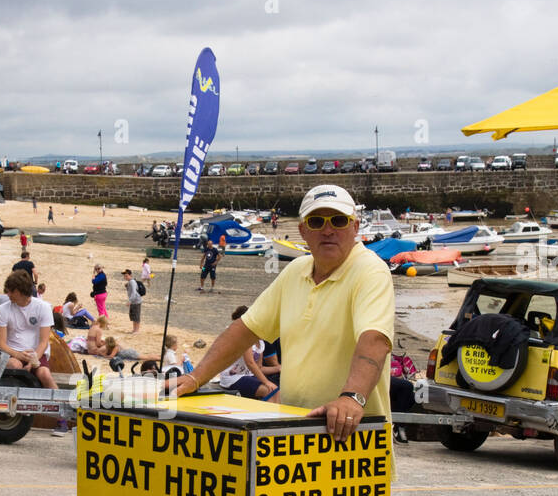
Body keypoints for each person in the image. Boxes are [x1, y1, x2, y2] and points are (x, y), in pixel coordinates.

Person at [169, 184, 394, 441]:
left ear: (355, 227)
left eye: (339, 220)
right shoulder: (295, 271)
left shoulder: (370, 271)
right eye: (317, 221)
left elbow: (375, 340)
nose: (328, 230)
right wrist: (196, 377)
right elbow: (245, 330)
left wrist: (352, 397)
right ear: (303, 230)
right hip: (294, 438)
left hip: (350, 439)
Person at [0, 270, 55, 390]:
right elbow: (0, 343)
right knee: (14, 365)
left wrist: (32, 361)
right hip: (12, 352)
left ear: (21, 292)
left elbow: (44, 342)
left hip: (36, 353)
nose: (8, 294)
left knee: (45, 374)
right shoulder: (3, 309)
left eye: (11, 291)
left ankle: (62, 403)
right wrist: (18, 355)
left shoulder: (44, 307)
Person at [216, 305, 275, 399]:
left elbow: (259, 367)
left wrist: (279, 368)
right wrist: (266, 382)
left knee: (275, 389)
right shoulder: (245, 338)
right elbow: (250, 363)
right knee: (269, 391)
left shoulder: (260, 343)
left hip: (248, 376)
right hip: (233, 378)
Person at [123, 268, 143, 333]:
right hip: (134, 301)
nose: (125, 277)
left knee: (136, 316)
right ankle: (134, 329)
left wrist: (130, 301)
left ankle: (136, 330)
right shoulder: (130, 282)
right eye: (124, 276)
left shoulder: (132, 282)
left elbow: (134, 292)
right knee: (134, 316)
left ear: (130, 275)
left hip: (136, 301)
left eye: (126, 275)